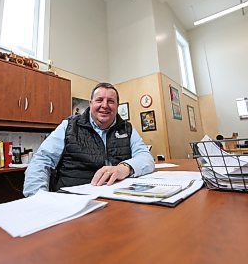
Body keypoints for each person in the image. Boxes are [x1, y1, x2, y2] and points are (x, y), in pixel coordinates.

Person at [23, 82, 155, 197]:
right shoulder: (69, 126)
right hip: (72, 199)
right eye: (99, 100)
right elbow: (41, 160)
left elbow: (146, 157)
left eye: (111, 101)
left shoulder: (127, 128)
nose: (105, 105)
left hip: (117, 198)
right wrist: (37, 198)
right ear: (90, 104)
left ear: (117, 106)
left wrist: (124, 168)